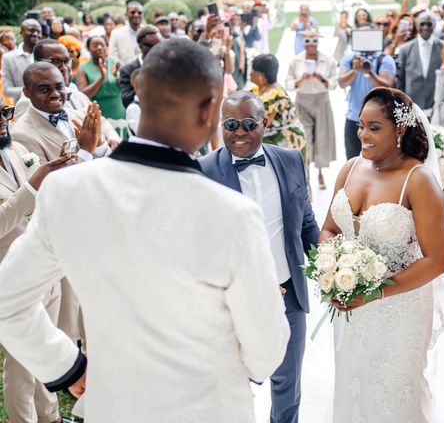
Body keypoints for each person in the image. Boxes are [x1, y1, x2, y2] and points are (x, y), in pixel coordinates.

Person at [0, 38, 290, 422]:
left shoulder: (66, 192)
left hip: (112, 407)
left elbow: (8, 300)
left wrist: (66, 366)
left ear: (138, 90)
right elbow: (266, 352)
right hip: (210, 408)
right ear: (209, 111)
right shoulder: (235, 216)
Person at [320, 87, 444, 422]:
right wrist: (332, 270)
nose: (363, 134)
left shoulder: (418, 180)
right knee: (353, 384)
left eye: (374, 127)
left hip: (399, 308)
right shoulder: (349, 169)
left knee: (393, 394)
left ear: (400, 130)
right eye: (361, 126)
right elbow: (330, 229)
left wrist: (374, 291)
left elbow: (438, 260)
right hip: (350, 307)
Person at [200, 91, 319, 423]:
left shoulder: (291, 159)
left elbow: (306, 221)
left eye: (249, 124)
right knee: (231, 387)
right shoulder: (203, 171)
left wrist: (328, 263)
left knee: (288, 388)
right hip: (230, 303)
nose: (240, 133)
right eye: (231, 124)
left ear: (265, 123)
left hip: (287, 295)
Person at [0, 98, 75, 423]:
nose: (3, 121)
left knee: (46, 352)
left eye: (3, 113)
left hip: (42, 267)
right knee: (21, 363)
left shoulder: (14, 149)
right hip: (9, 276)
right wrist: (33, 184)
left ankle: (52, 417)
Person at [13, 39, 120, 146]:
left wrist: (112, 139)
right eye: (55, 62)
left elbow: (101, 122)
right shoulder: (26, 103)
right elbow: (28, 145)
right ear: (37, 64)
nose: (64, 68)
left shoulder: (78, 95)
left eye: (67, 61)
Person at [285, 32, 337, 189]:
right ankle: (304, 173)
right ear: (304, 43)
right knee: (304, 137)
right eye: (308, 42)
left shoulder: (328, 60)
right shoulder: (296, 60)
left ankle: (320, 173)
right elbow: (288, 82)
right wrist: (301, 79)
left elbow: (334, 83)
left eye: (314, 42)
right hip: (303, 99)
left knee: (322, 137)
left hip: (321, 100)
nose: (312, 46)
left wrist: (321, 78)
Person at [339, 41, 396, 159]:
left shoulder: (385, 59)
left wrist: (369, 73)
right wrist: (354, 70)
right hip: (354, 119)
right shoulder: (350, 59)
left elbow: (387, 87)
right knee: (353, 161)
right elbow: (341, 82)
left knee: (379, 160)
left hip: (379, 122)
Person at [250, 54, 307, 159]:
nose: (249, 73)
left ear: (261, 77)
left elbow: (261, 125)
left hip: (285, 144)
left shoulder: (273, 96)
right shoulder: (262, 90)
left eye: (252, 70)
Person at [396, 10, 444, 118]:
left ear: (434, 25)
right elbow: (400, 80)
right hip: (412, 107)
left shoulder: (443, 48)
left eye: (429, 24)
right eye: (422, 24)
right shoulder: (405, 49)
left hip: (436, 107)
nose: (425, 27)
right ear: (417, 26)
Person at [76, 35, 125, 121]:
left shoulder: (115, 63)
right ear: (88, 48)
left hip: (118, 110)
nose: (99, 48)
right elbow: (83, 95)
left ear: (106, 47)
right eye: (95, 45)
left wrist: (120, 78)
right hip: (97, 114)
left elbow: (126, 87)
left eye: (102, 45)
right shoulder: (83, 67)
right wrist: (102, 78)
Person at [119, 25, 162, 107]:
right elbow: (126, 101)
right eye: (151, 45)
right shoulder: (127, 70)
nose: (156, 49)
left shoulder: (166, 65)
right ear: (140, 45)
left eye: (159, 45)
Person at [1, 19, 42, 102]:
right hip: (23, 110)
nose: (35, 34)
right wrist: (34, 90)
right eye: (31, 30)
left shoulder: (47, 54)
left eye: (38, 31)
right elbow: (7, 90)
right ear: (21, 32)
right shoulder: (8, 58)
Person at [108, 0, 144, 64]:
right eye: (132, 12)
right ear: (126, 14)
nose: (136, 15)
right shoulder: (116, 33)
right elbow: (112, 56)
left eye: (139, 13)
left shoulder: (149, 32)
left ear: (143, 15)